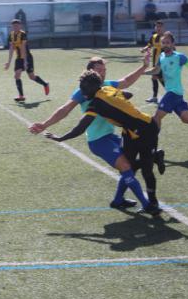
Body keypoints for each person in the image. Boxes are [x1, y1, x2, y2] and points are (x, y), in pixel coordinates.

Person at [30, 52, 166, 206]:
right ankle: (147, 205)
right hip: (98, 140)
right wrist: (45, 124)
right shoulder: (84, 91)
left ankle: (118, 200)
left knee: (130, 165)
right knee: (127, 166)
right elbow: (65, 110)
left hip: (111, 135)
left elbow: (126, 82)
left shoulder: (106, 85)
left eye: (104, 70)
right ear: (90, 71)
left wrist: (143, 67)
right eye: (99, 70)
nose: (103, 73)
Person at [3, 19, 49, 102]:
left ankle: (45, 84)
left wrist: (25, 61)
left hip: (27, 57)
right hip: (18, 58)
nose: (15, 27)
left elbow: (23, 48)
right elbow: (11, 48)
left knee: (31, 76)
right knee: (17, 75)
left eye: (17, 26)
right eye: (13, 26)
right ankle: (21, 96)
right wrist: (8, 62)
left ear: (20, 26)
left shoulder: (23, 34)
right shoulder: (11, 35)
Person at [140, 20, 165, 103]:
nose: (158, 28)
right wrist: (144, 49)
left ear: (163, 28)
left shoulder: (166, 37)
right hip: (155, 61)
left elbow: (172, 47)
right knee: (154, 77)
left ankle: (173, 95)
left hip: (164, 61)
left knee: (161, 78)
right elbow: (149, 45)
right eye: (156, 26)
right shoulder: (153, 36)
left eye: (160, 26)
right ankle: (155, 97)